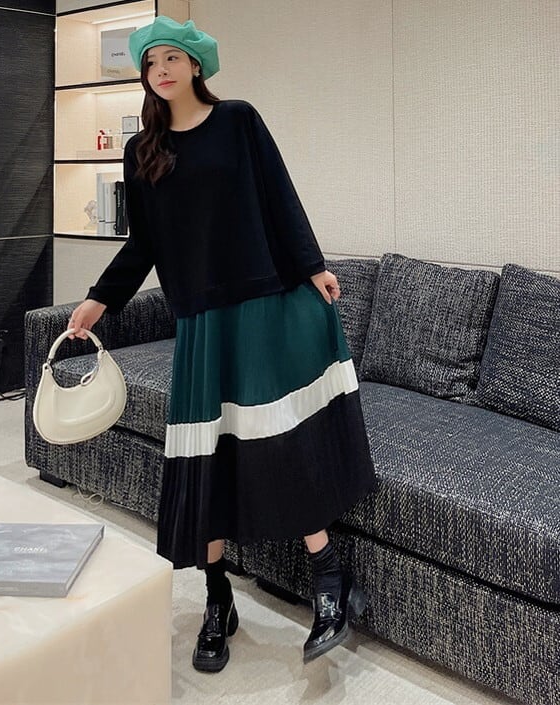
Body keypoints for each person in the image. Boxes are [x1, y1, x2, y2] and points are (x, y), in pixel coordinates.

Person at [67, 16, 377, 673]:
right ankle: (217, 600)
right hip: (201, 320)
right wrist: (99, 299)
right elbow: (143, 244)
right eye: (152, 63)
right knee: (203, 459)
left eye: (173, 58)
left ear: (196, 66)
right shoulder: (142, 151)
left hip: (263, 304)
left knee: (278, 442)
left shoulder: (238, 121)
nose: (162, 70)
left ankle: (328, 577)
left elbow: (279, 197)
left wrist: (312, 265)